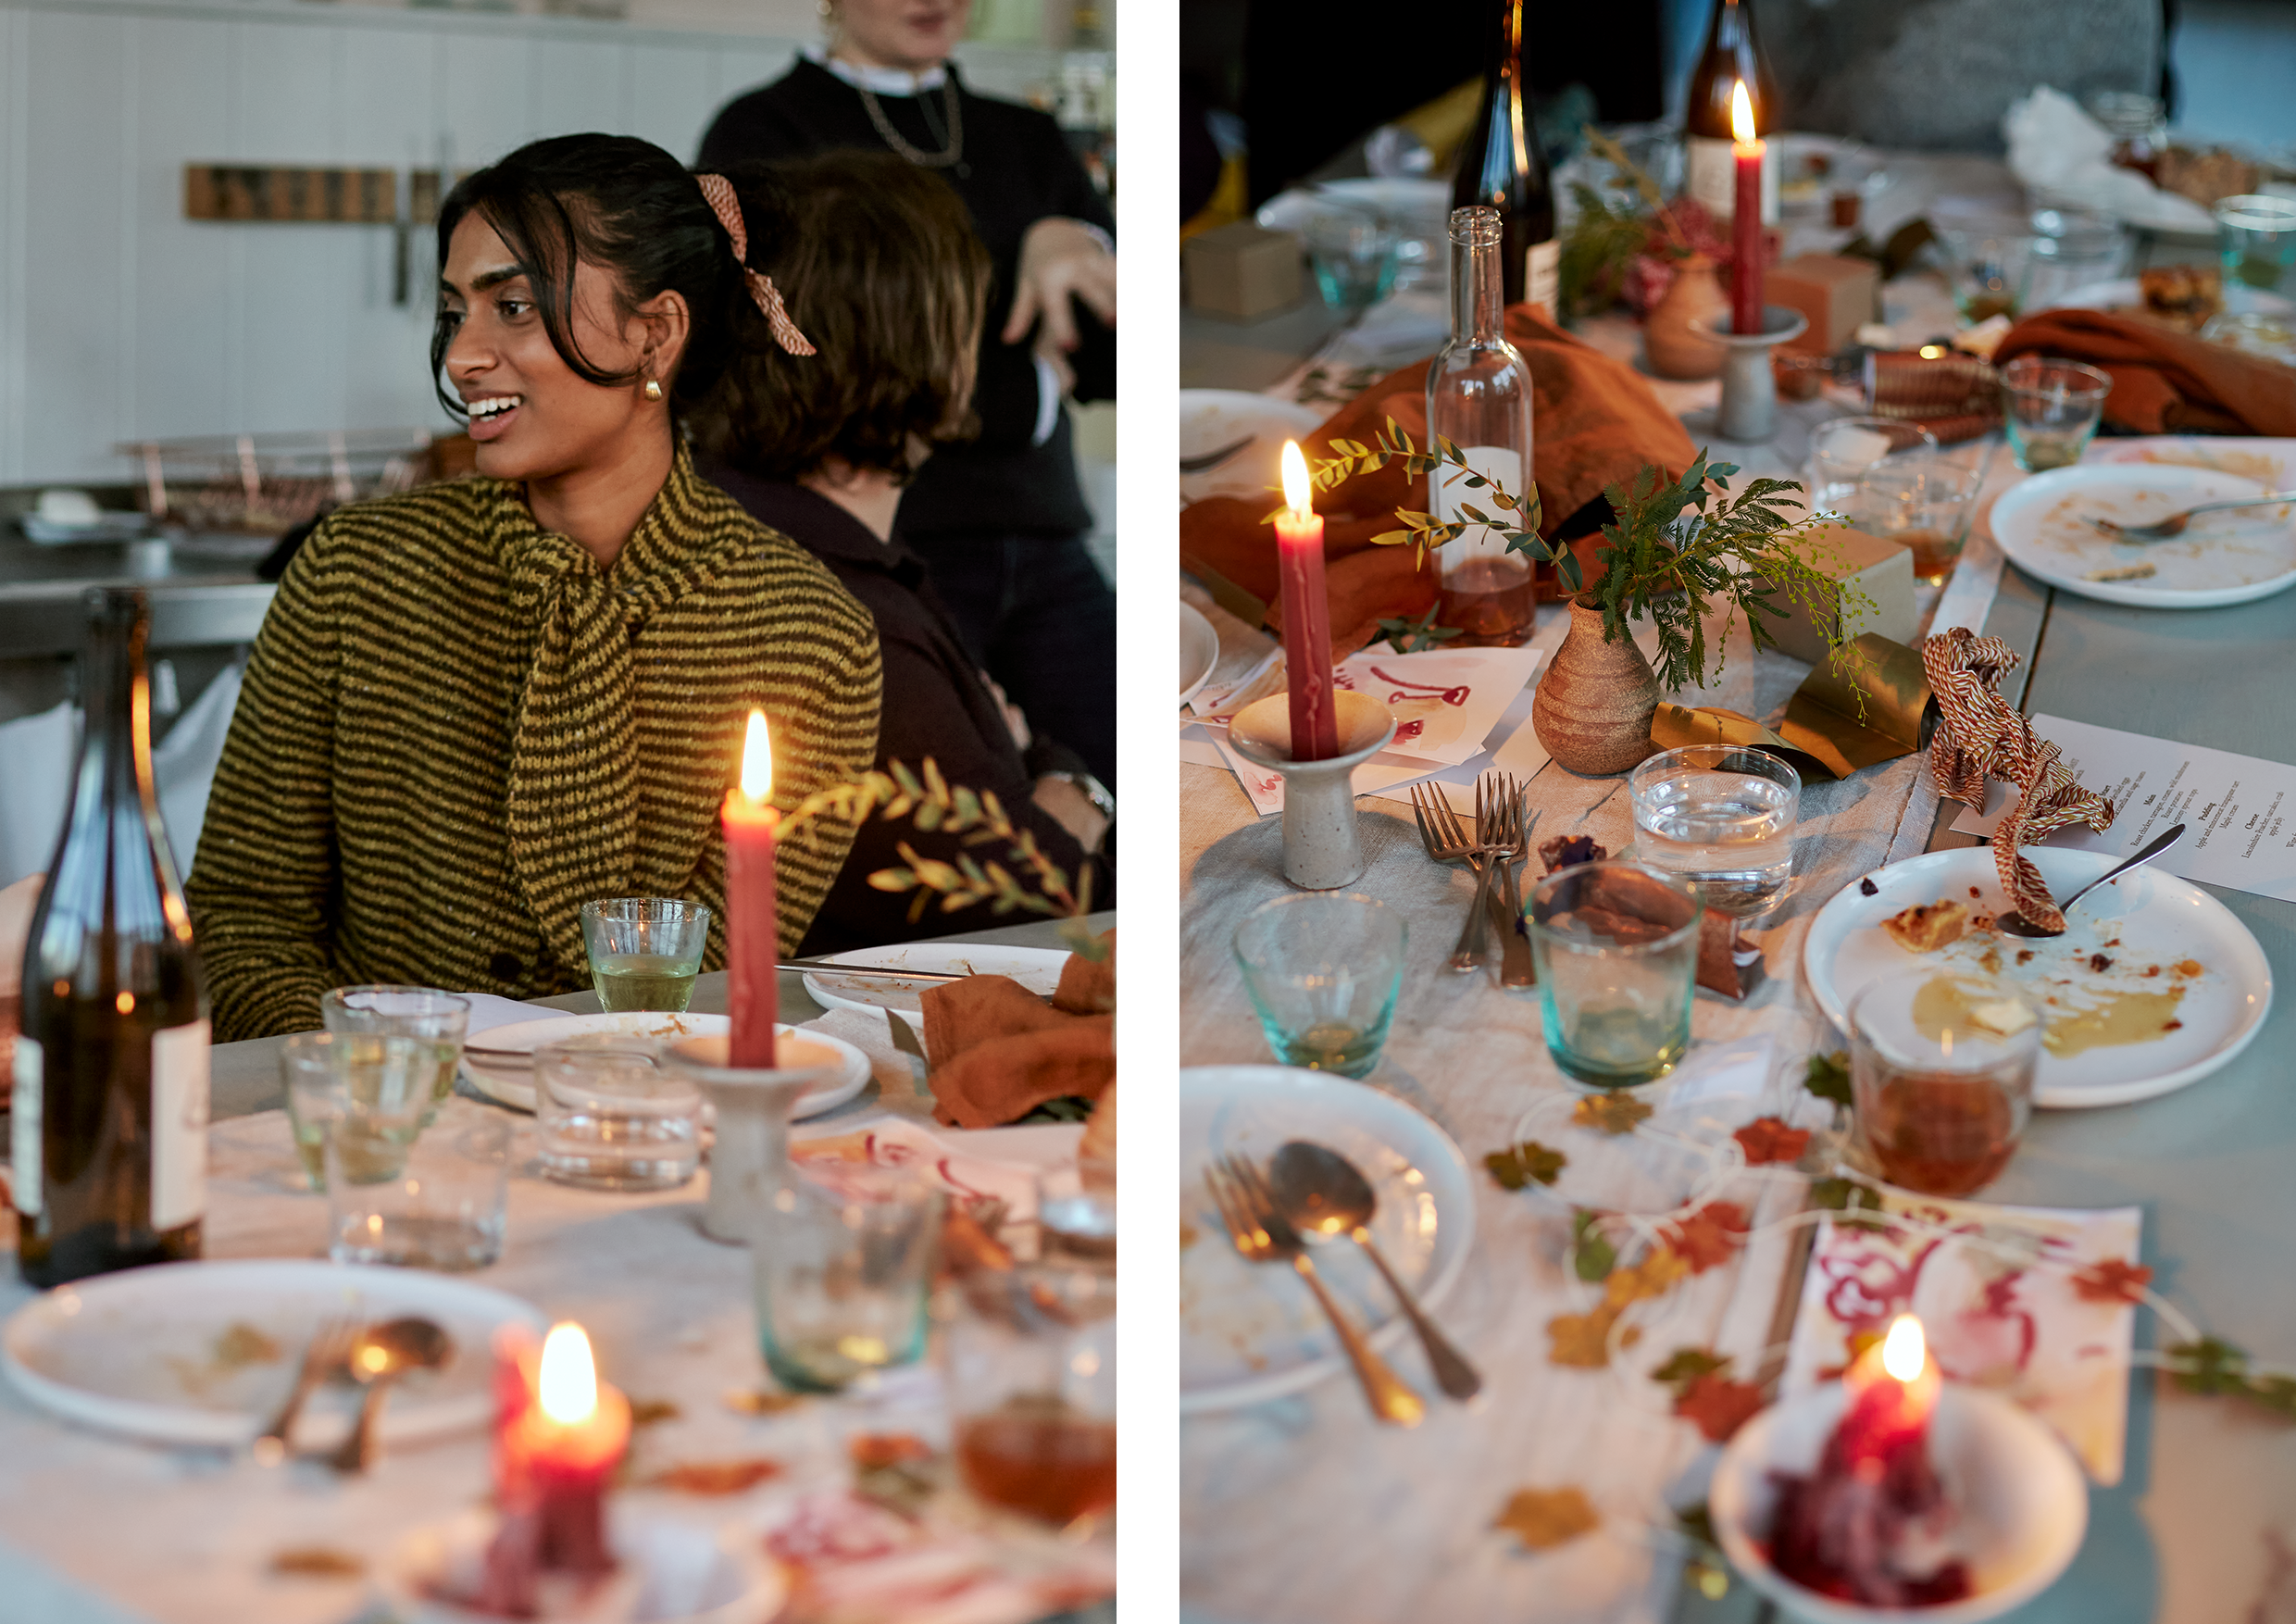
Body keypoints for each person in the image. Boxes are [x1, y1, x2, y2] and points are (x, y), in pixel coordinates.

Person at [186, 134, 882, 1042]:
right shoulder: (355, 572)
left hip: (641, 1137)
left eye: (512, 306)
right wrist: (381, 1078)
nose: (464, 356)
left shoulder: (806, 635)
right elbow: (242, 913)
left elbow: (713, 993)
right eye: (454, 312)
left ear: (655, 332)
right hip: (378, 1135)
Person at [691, 152, 1109, 957]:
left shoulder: (800, 536)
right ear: (919, 345)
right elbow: (1059, 916)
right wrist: (1068, 794)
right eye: (968, 318)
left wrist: (1054, 778)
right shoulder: (841, 622)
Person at [697, 0, 1118, 792]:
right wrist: (1025, 382)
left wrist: (1084, 246)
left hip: (1048, 545)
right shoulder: (761, 135)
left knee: (1130, 797)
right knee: (965, 824)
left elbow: (1110, 368)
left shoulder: (1027, 138)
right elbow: (799, 369)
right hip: (883, 554)